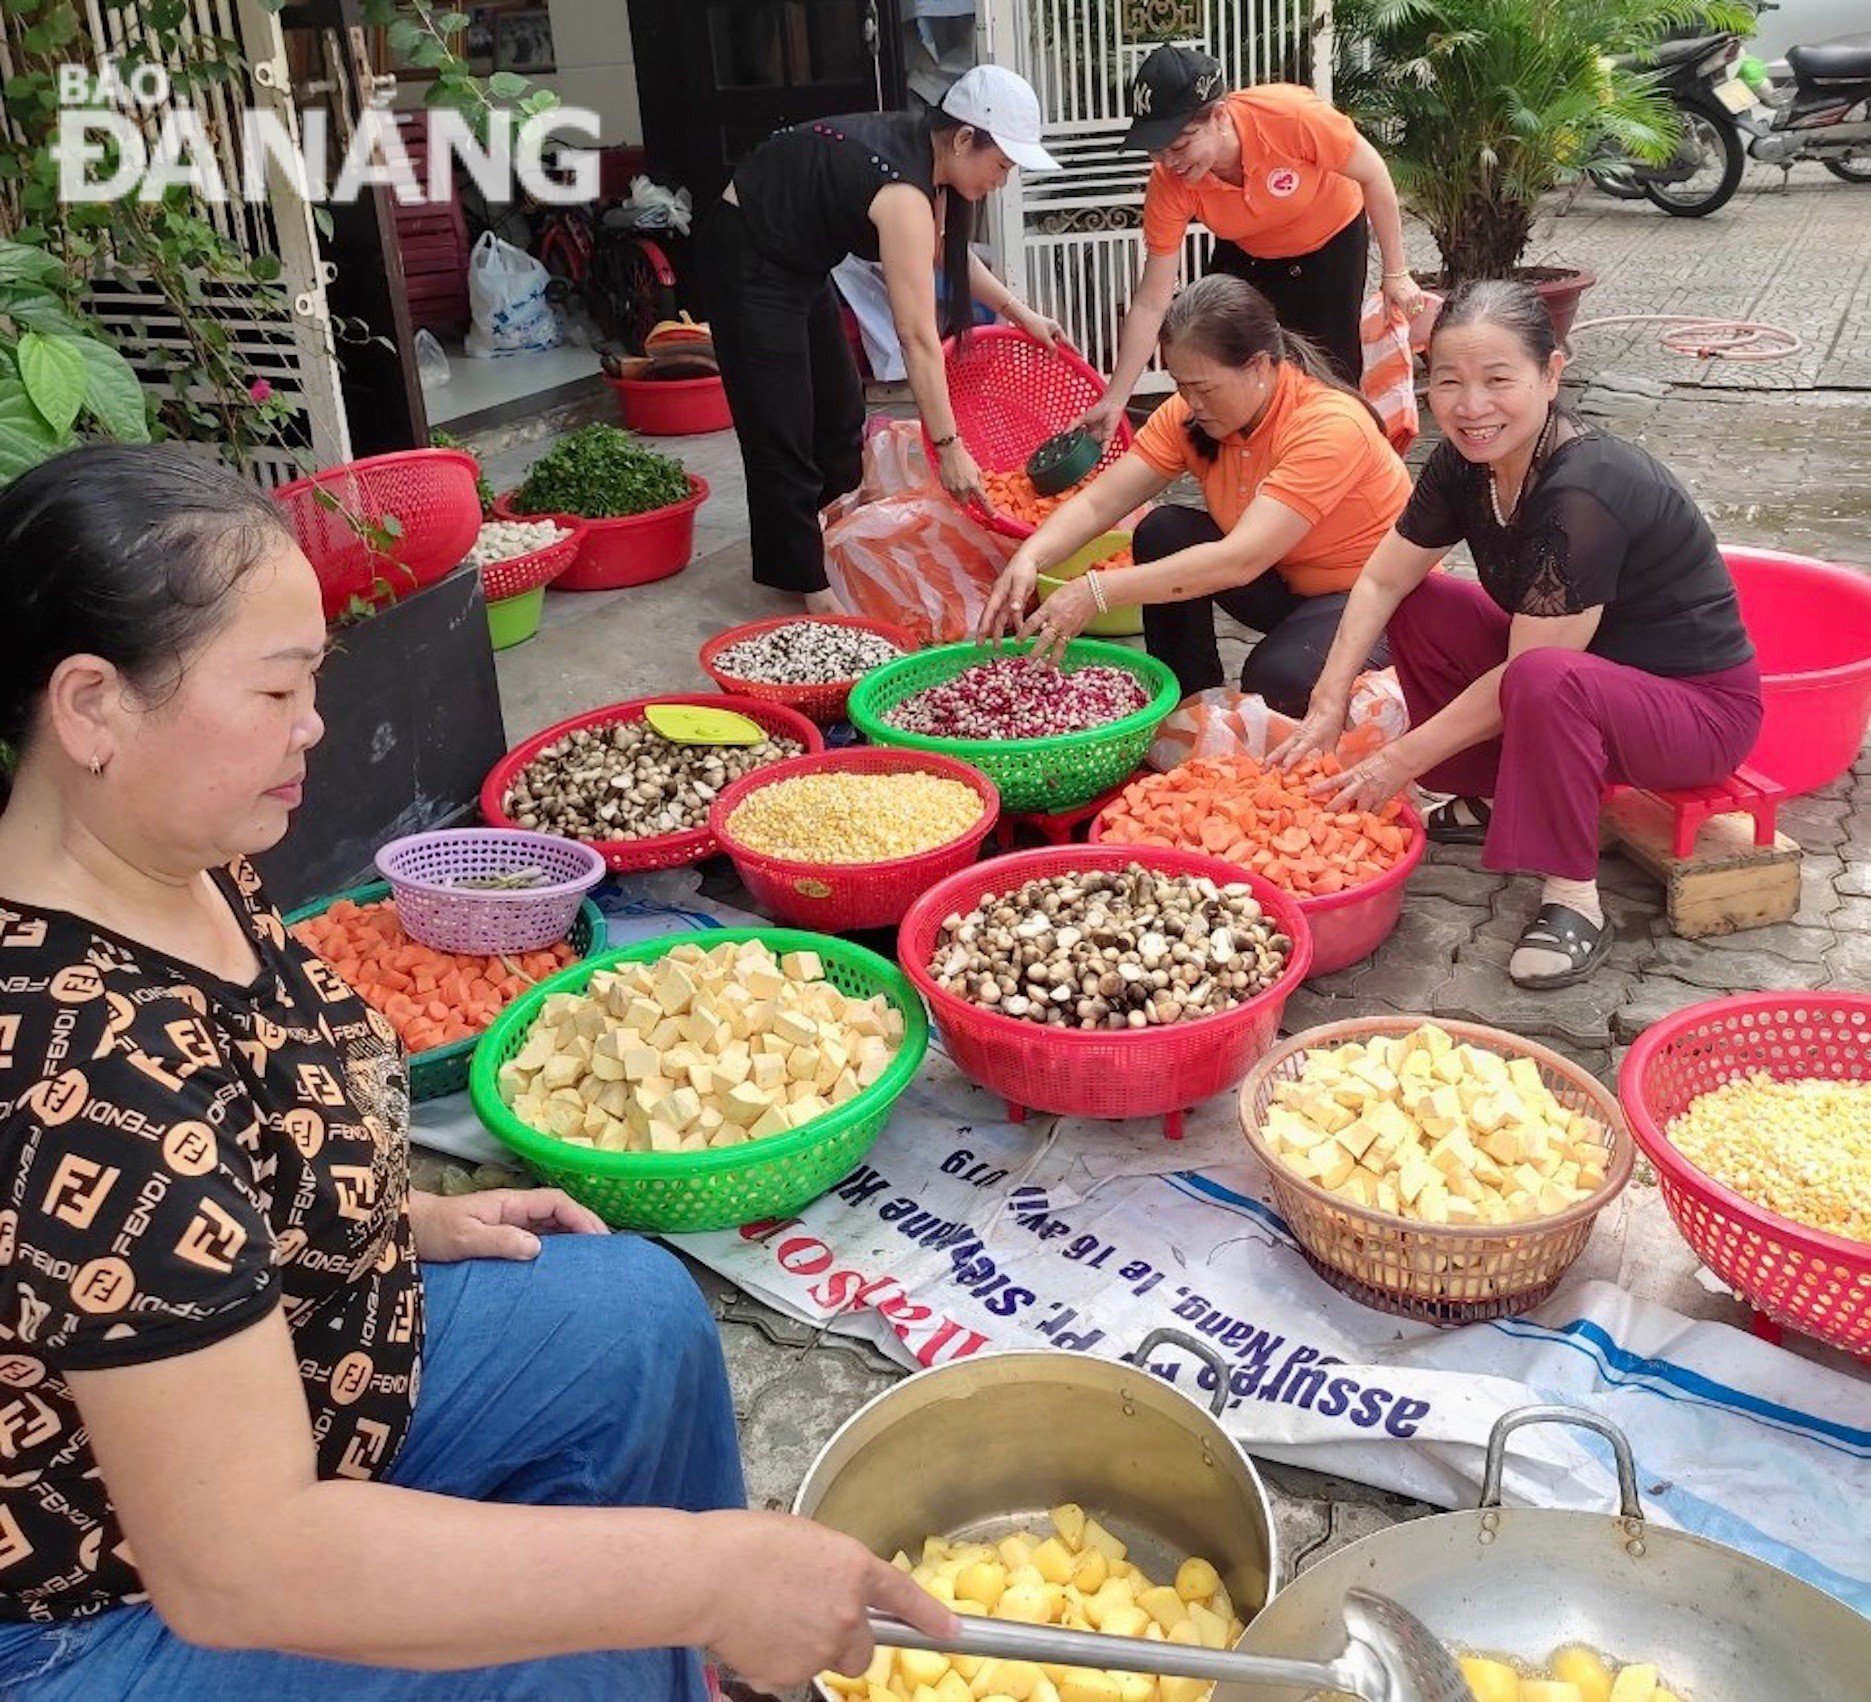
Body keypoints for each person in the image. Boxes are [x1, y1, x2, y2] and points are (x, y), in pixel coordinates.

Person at [0, 445, 953, 1699]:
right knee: (578, 1661)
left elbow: (219, 1161)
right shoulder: (66, 1065)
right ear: (91, 707)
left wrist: (390, 1219)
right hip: (115, 1601)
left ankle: (696, 1665)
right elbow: (238, 1566)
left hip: (321, 1361)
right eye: (278, 690)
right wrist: (695, 1573)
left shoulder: (178, 846)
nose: (316, 727)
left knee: (637, 1314)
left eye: (316, 680)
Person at [1274, 281, 1762, 989]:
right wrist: (1327, 701)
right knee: (1424, 601)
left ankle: (1572, 898)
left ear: (1551, 374)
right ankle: (1494, 793)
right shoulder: (1464, 464)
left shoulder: (1584, 491)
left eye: (1497, 380)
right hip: (1580, 679)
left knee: (1540, 676)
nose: (1471, 407)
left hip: (1693, 713)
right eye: (1449, 382)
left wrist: (1394, 763)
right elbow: (1380, 580)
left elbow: (1528, 672)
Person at [699, 66, 1063, 613]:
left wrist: (1021, 314)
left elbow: (944, 252)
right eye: (1002, 164)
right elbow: (917, 337)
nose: (1001, 180)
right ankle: (808, 584)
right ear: (964, 138)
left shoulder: (929, 160)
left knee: (841, 411)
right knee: (782, 423)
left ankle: (832, 537)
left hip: (800, 261)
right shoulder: (904, 191)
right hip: (748, 250)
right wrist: (949, 447)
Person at [979, 275, 1410, 716]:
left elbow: (1241, 559)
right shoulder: (1190, 415)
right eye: (1182, 386)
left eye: (1204, 389)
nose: (1192, 403)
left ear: (1260, 366)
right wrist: (1031, 556)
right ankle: (1188, 705)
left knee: (1276, 681)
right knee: (1164, 530)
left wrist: (1097, 591)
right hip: (1287, 585)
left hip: (1374, 602)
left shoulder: (1329, 425)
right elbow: (1099, 503)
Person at [1080, 44, 1426, 443]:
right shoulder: (1170, 183)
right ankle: (1240, 460)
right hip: (1248, 251)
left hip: (1330, 241)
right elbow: (1152, 299)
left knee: (1330, 371)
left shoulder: (1290, 117)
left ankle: (1335, 459)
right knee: (1218, 346)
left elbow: (1374, 175)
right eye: (1156, 151)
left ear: (1221, 115)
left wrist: (1396, 274)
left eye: (1179, 145)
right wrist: (1115, 398)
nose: (1168, 163)